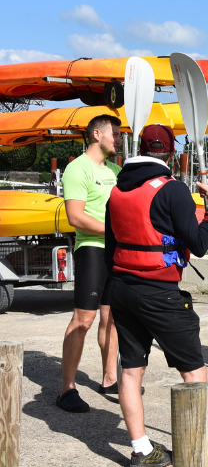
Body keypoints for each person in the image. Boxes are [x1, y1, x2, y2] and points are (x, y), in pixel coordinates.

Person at [105, 124, 208, 467]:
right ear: (171, 154)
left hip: (122, 288)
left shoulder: (117, 189)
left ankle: (142, 450)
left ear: (139, 149)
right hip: (159, 293)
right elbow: (198, 243)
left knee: (131, 368)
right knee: (193, 369)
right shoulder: (172, 190)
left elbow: (111, 247)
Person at [57, 114, 122, 413]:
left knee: (112, 320)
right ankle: (66, 389)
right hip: (92, 250)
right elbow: (76, 217)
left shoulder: (115, 171)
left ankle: (110, 378)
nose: (118, 140)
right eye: (115, 134)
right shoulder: (77, 168)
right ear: (97, 134)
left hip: (115, 253)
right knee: (84, 320)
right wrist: (115, 231)